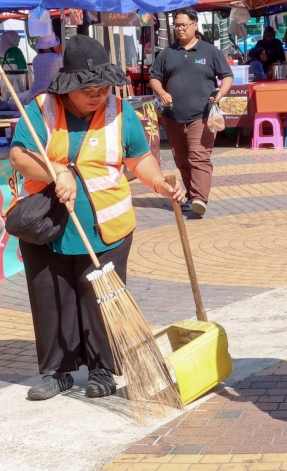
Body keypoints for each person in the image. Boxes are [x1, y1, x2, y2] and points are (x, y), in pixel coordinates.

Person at [9, 35, 185, 401]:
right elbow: (19, 156)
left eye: (104, 87)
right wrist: (55, 170)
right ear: (69, 85)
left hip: (108, 226)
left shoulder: (121, 112)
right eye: (89, 88)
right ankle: (57, 371)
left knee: (100, 299)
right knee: (52, 297)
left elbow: (139, 157)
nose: (97, 95)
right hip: (48, 224)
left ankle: (104, 369)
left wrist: (160, 182)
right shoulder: (42, 109)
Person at [149, 8, 233, 217]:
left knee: (199, 157)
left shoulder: (210, 51)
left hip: (202, 115)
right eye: (176, 25)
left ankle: (199, 199)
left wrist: (220, 93)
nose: (179, 29)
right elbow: (154, 77)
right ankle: (191, 195)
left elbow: (227, 76)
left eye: (183, 25)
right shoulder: (167, 53)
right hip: (173, 116)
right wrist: (161, 92)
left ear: (195, 25)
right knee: (183, 159)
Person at [24, 34, 63, 104]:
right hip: (54, 97)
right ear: (52, 45)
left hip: (35, 97)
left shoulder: (35, 59)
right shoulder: (59, 58)